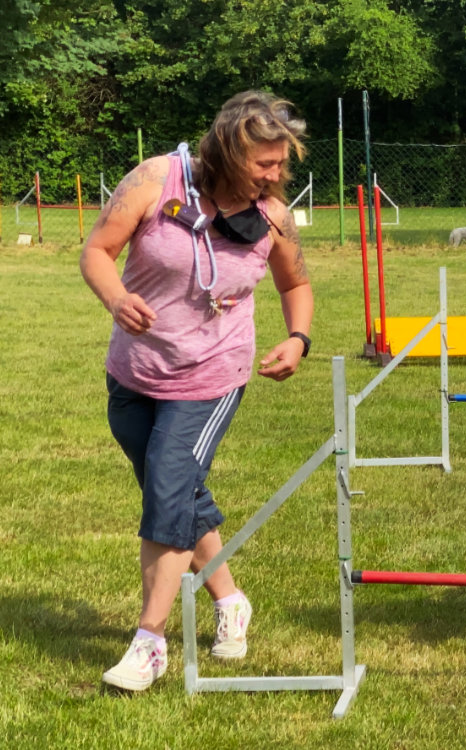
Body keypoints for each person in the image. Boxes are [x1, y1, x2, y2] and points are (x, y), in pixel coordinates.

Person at [79, 91, 313, 692]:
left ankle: (149, 641)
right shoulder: (157, 179)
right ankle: (231, 600)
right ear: (231, 152)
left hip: (211, 376)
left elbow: (296, 284)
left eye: (282, 162)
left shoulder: (273, 217)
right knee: (176, 489)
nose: (277, 173)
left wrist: (298, 339)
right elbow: (98, 251)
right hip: (133, 372)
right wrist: (116, 298)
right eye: (266, 163)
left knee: (167, 486)